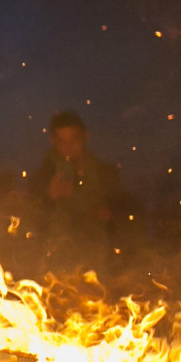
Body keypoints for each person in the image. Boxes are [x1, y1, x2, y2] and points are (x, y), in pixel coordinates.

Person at [23, 112, 124, 272]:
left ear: (85, 137)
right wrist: (48, 197)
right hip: (56, 264)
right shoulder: (43, 177)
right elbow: (26, 221)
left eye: (74, 140)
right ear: (53, 142)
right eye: (62, 142)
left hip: (99, 261)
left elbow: (126, 218)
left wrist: (109, 215)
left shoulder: (104, 174)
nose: (69, 147)